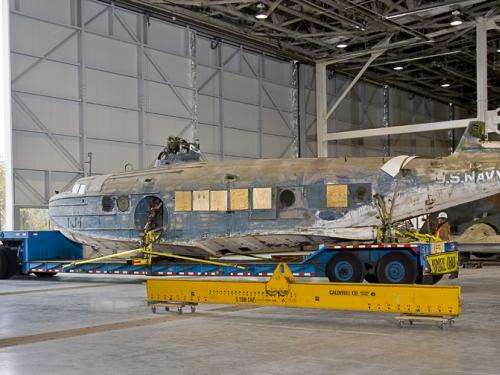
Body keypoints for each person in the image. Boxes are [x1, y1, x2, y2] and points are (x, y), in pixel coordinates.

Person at [435, 212, 458, 279]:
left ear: (443, 219)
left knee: (448, 259)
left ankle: (453, 274)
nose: (438, 220)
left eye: (439, 219)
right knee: (447, 259)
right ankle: (453, 273)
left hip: (443, 244)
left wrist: (437, 242)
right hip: (442, 244)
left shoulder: (444, 226)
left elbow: (443, 236)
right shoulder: (442, 225)